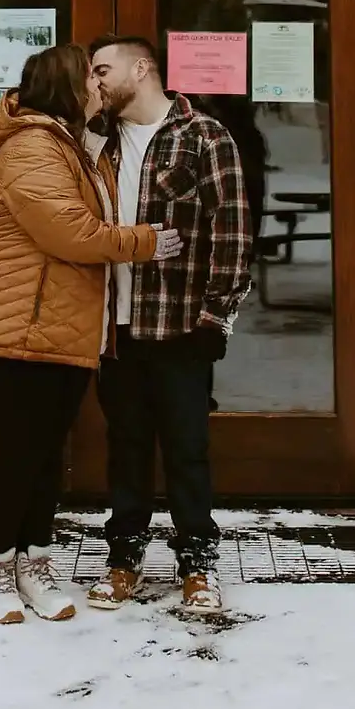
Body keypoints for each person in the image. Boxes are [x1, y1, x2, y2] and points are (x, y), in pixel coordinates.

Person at [0, 42, 182, 626]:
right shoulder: (32, 147)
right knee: (19, 454)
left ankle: (35, 562)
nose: (101, 89)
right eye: (92, 80)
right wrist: (145, 241)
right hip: (15, 329)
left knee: (46, 454)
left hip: (58, 330)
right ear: (67, 87)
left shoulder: (70, 145)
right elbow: (72, 232)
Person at [87, 35, 252, 613]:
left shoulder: (204, 136)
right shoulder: (95, 143)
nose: (96, 82)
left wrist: (217, 314)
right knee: (125, 447)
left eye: (103, 70)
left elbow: (231, 228)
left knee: (187, 448)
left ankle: (198, 565)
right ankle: (123, 559)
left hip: (180, 324)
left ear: (142, 67)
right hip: (113, 327)